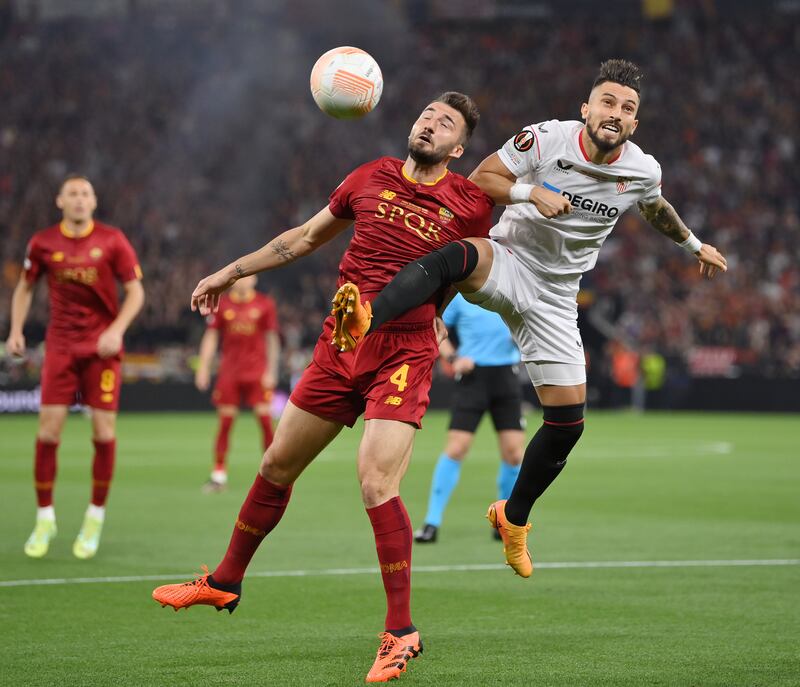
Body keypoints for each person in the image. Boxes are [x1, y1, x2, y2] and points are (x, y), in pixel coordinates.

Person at [333, 59, 728, 579]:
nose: (616, 113)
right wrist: (530, 192)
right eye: (607, 102)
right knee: (456, 254)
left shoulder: (642, 170)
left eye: (628, 108)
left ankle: (513, 518)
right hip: (511, 261)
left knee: (567, 425)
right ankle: (368, 318)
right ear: (586, 108)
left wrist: (694, 245)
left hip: (559, 297)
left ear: (635, 124)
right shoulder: (547, 139)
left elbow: (654, 207)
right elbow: (481, 179)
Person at [151, 92, 494, 683]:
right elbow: (304, 238)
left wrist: (439, 307)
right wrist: (232, 270)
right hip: (340, 343)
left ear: (458, 148)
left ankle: (401, 631)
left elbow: (476, 266)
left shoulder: (469, 202)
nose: (429, 124)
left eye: (445, 123)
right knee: (278, 462)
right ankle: (226, 581)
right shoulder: (369, 175)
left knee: (374, 481)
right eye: (426, 115)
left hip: (404, 353)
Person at [5, 175, 144, 559]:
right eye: (73, 194)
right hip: (61, 347)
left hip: (101, 350)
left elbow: (136, 292)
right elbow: (26, 287)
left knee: (103, 432)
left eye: (86, 193)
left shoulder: (113, 240)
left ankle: (94, 517)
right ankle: (44, 517)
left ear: (94, 201)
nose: (80, 199)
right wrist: (15, 329)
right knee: (48, 433)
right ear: (59, 201)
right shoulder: (43, 242)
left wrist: (116, 330)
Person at [414, 293, 524, 544]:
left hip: (506, 376)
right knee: (456, 448)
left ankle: (503, 522)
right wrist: (453, 358)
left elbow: (533, 325)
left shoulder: (512, 291)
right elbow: (436, 327)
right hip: (473, 379)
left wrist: (521, 337)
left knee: (514, 454)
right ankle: (432, 522)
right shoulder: (462, 296)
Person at [194, 275, 280, 492]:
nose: (243, 281)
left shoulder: (264, 304)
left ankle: (275, 473)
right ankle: (219, 475)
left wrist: (271, 371)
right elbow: (211, 336)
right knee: (225, 423)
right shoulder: (222, 305)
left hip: (257, 373)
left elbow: (272, 338)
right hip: (229, 374)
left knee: (264, 421)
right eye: (240, 278)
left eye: (247, 277)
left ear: (255, 279)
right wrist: (203, 367)